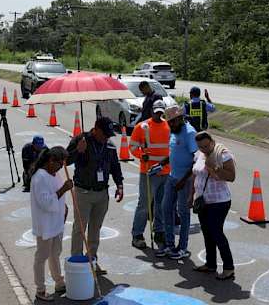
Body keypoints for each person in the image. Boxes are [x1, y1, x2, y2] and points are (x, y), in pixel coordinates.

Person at [66, 117, 124, 274]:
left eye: (109, 135)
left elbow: (115, 166)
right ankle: (77, 262)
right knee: (79, 228)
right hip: (83, 192)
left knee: (95, 228)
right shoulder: (80, 139)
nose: (106, 137)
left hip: (101, 193)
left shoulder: (109, 146)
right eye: (104, 134)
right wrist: (78, 150)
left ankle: (92, 260)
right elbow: (66, 161)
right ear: (95, 129)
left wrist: (119, 184)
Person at [192, 131, 236, 280]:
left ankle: (229, 267)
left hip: (219, 201)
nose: (204, 149)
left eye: (206, 145)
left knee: (216, 232)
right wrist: (190, 196)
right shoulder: (199, 154)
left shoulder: (223, 154)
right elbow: (195, 175)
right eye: (200, 146)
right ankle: (210, 264)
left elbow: (231, 177)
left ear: (212, 141)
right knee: (207, 233)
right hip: (203, 200)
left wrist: (215, 167)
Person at [30, 146, 73, 302]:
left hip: (56, 223)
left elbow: (57, 196)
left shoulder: (54, 174)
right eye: (58, 164)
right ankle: (40, 289)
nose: (60, 167)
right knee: (42, 256)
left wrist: (65, 208)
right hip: (45, 224)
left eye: (62, 164)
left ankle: (59, 282)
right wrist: (64, 189)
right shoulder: (40, 177)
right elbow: (46, 203)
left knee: (55, 254)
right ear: (50, 161)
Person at [129, 99, 170, 253]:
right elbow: (132, 146)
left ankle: (159, 232)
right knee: (145, 205)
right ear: (152, 111)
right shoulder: (142, 127)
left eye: (161, 112)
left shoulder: (168, 126)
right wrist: (141, 155)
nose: (158, 114)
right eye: (156, 111)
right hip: (148, 172)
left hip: (166, 172)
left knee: (161, 205)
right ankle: (137, 234)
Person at [158, 105, 198, 259]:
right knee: (166, 208)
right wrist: (163, 162)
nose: (170, 125)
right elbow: (174, 152)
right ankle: (169, 245)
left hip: (185, 180)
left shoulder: (189, 133)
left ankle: (182, 247)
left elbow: (196, 160)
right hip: (172, 177)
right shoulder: (174, 132)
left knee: (183, 213)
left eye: (173, 122)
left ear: (180, 119)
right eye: (169, 122)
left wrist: (184, 180)